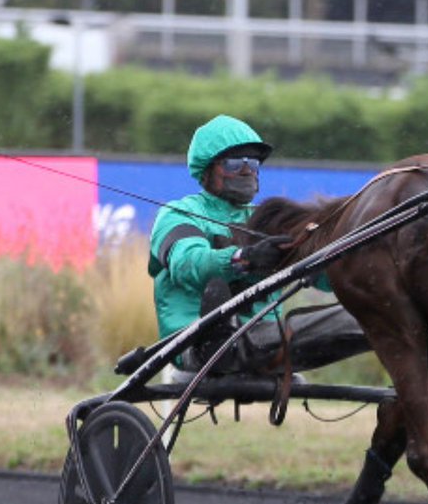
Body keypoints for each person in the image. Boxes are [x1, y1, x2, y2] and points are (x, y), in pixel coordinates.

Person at [149, 114, 370, 376]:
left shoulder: (266, 219)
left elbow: (326, 279)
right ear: (207, 170)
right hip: (191, 341)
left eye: (252, 163)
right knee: (217, 290)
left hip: (264, 338)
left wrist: (347, 270)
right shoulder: (178, 213)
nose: (246, 170)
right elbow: (187, 264)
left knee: (377, 315)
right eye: (234, 163)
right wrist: (245, 258)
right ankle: (214, 340)